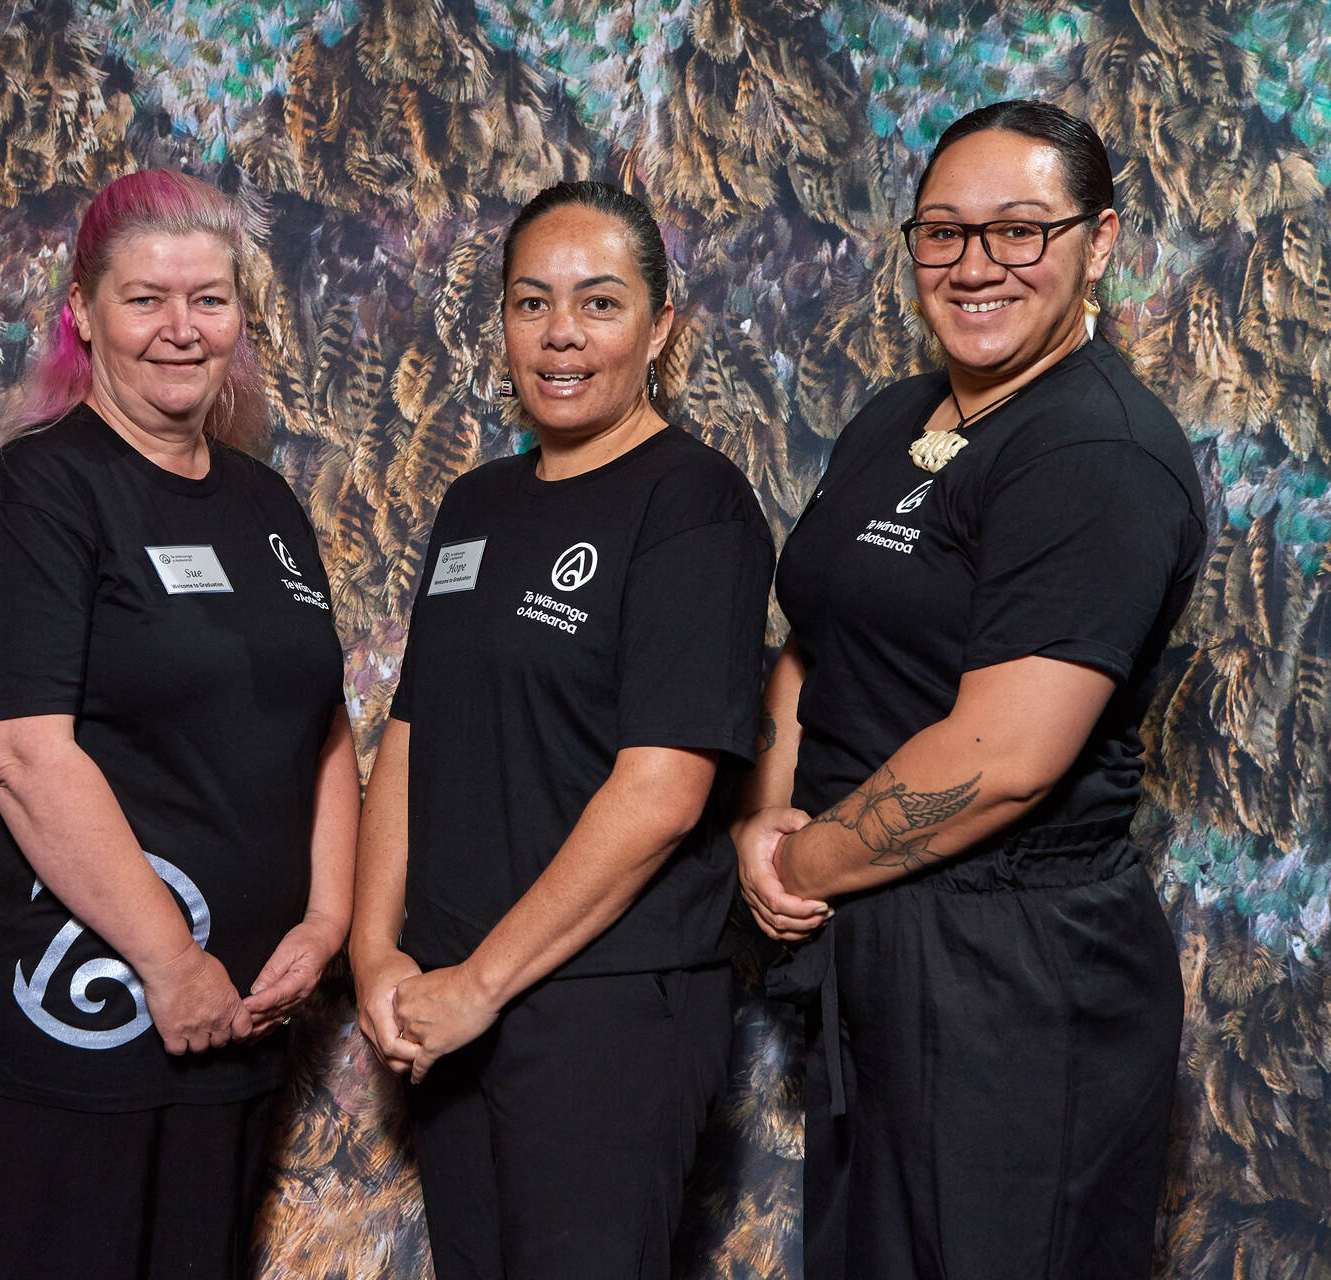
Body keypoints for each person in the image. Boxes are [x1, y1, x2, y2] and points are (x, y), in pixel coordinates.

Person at [733, 100, 1205, 1278]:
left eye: (1019, 230)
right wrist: (766, 816)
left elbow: (1006, 760)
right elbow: (816, 638)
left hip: (1015, 968)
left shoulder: (1096, 450)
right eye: (944, 231)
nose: (975, 263)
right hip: (876, 934)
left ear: (1099, 243)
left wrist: (800, 864)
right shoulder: (895, 418)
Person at [0, 168, 358, 1280]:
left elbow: (320, 726)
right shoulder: (39, 495)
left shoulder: (266, 504)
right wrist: (169, 958)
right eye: (146, 298)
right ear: (81, 313)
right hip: (79, 1024)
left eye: (209, 299)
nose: (182, 328)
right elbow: (20, 754)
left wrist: (325, 919)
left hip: (235, 1022)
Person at [351, 181, 775, 1280]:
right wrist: (375, 948)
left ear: (660, 325)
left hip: (602, 1007)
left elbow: (665, 791)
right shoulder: (476, 503)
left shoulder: (695, 504)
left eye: (599, 302)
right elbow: (412, 730)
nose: (561, 335)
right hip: (445, 1000)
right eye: (532, 302)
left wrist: (482, 984)